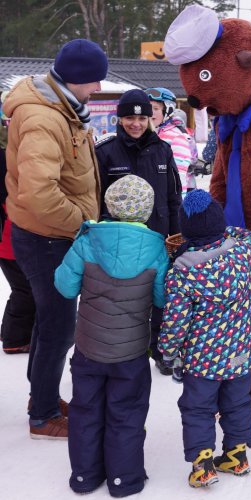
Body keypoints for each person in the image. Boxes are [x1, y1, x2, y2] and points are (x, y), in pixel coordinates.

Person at [3, 38, 107, 438]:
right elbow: (39, 193)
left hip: (52, 234)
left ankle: (40, 397)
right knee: (59, 327)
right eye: (94, 80)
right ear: (76, 79)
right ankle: (44, 415)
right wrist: (82, 224)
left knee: (50, 323)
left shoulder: (62, 109)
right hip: (48, 237)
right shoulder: (44, 118)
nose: (98, 88)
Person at [54, 175, 168, 497]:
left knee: (85, 411)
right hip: (130, 354)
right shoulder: (156, 250)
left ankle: (84, 477)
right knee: (127, 413)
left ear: (109, 205)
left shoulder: (88, 241)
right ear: (146, 211)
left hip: (89, 349)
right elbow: (161, 299)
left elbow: (64, 286)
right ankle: (124, 480)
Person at [158, 189, 251, 488]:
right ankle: (236, 456)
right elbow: (249, 236)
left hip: (204, 361)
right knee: (238, 402)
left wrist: (167, 351)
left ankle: (203, 464)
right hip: (242, 352)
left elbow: (175, 321)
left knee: (198, 408)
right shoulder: (243, 253)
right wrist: (224, 231)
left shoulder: (182, 272)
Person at [95, 89, 182, 376]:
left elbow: (173, 196)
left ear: (150, 118)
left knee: (160, 297)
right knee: (123, 299)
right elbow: (95, 201)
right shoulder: (105, 151)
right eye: (130, 117)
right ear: (119, 119)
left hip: (158, 238)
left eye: (142, 117)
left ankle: (159, 350)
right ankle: (123, 353)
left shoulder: (162, 149)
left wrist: (176, 234)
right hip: (120, 241)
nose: (136, 123)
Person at [0, 114, 35, 354]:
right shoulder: (5, 159)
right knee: (25, 290)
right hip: (10, 239)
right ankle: (13, 338)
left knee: (26, 289)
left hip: (16, 236)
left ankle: (15, 334)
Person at [145, 87, 197, 194]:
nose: (151, 113)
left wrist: (177, 208)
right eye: (148, 108)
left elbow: (179, 178)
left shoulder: (176, 138)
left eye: (156, 109)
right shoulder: (150, 134)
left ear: (168, 110)